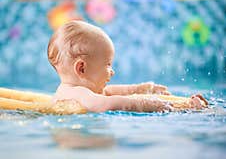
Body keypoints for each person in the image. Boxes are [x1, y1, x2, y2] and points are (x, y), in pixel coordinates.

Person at [47, 20, 207, 113]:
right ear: (81, 68)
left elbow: (109, 92)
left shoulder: (82, 91)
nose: (112, 71)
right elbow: (106, 103)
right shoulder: (78, 93)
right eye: (107, 65)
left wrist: (142, 88)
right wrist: (145, 105)